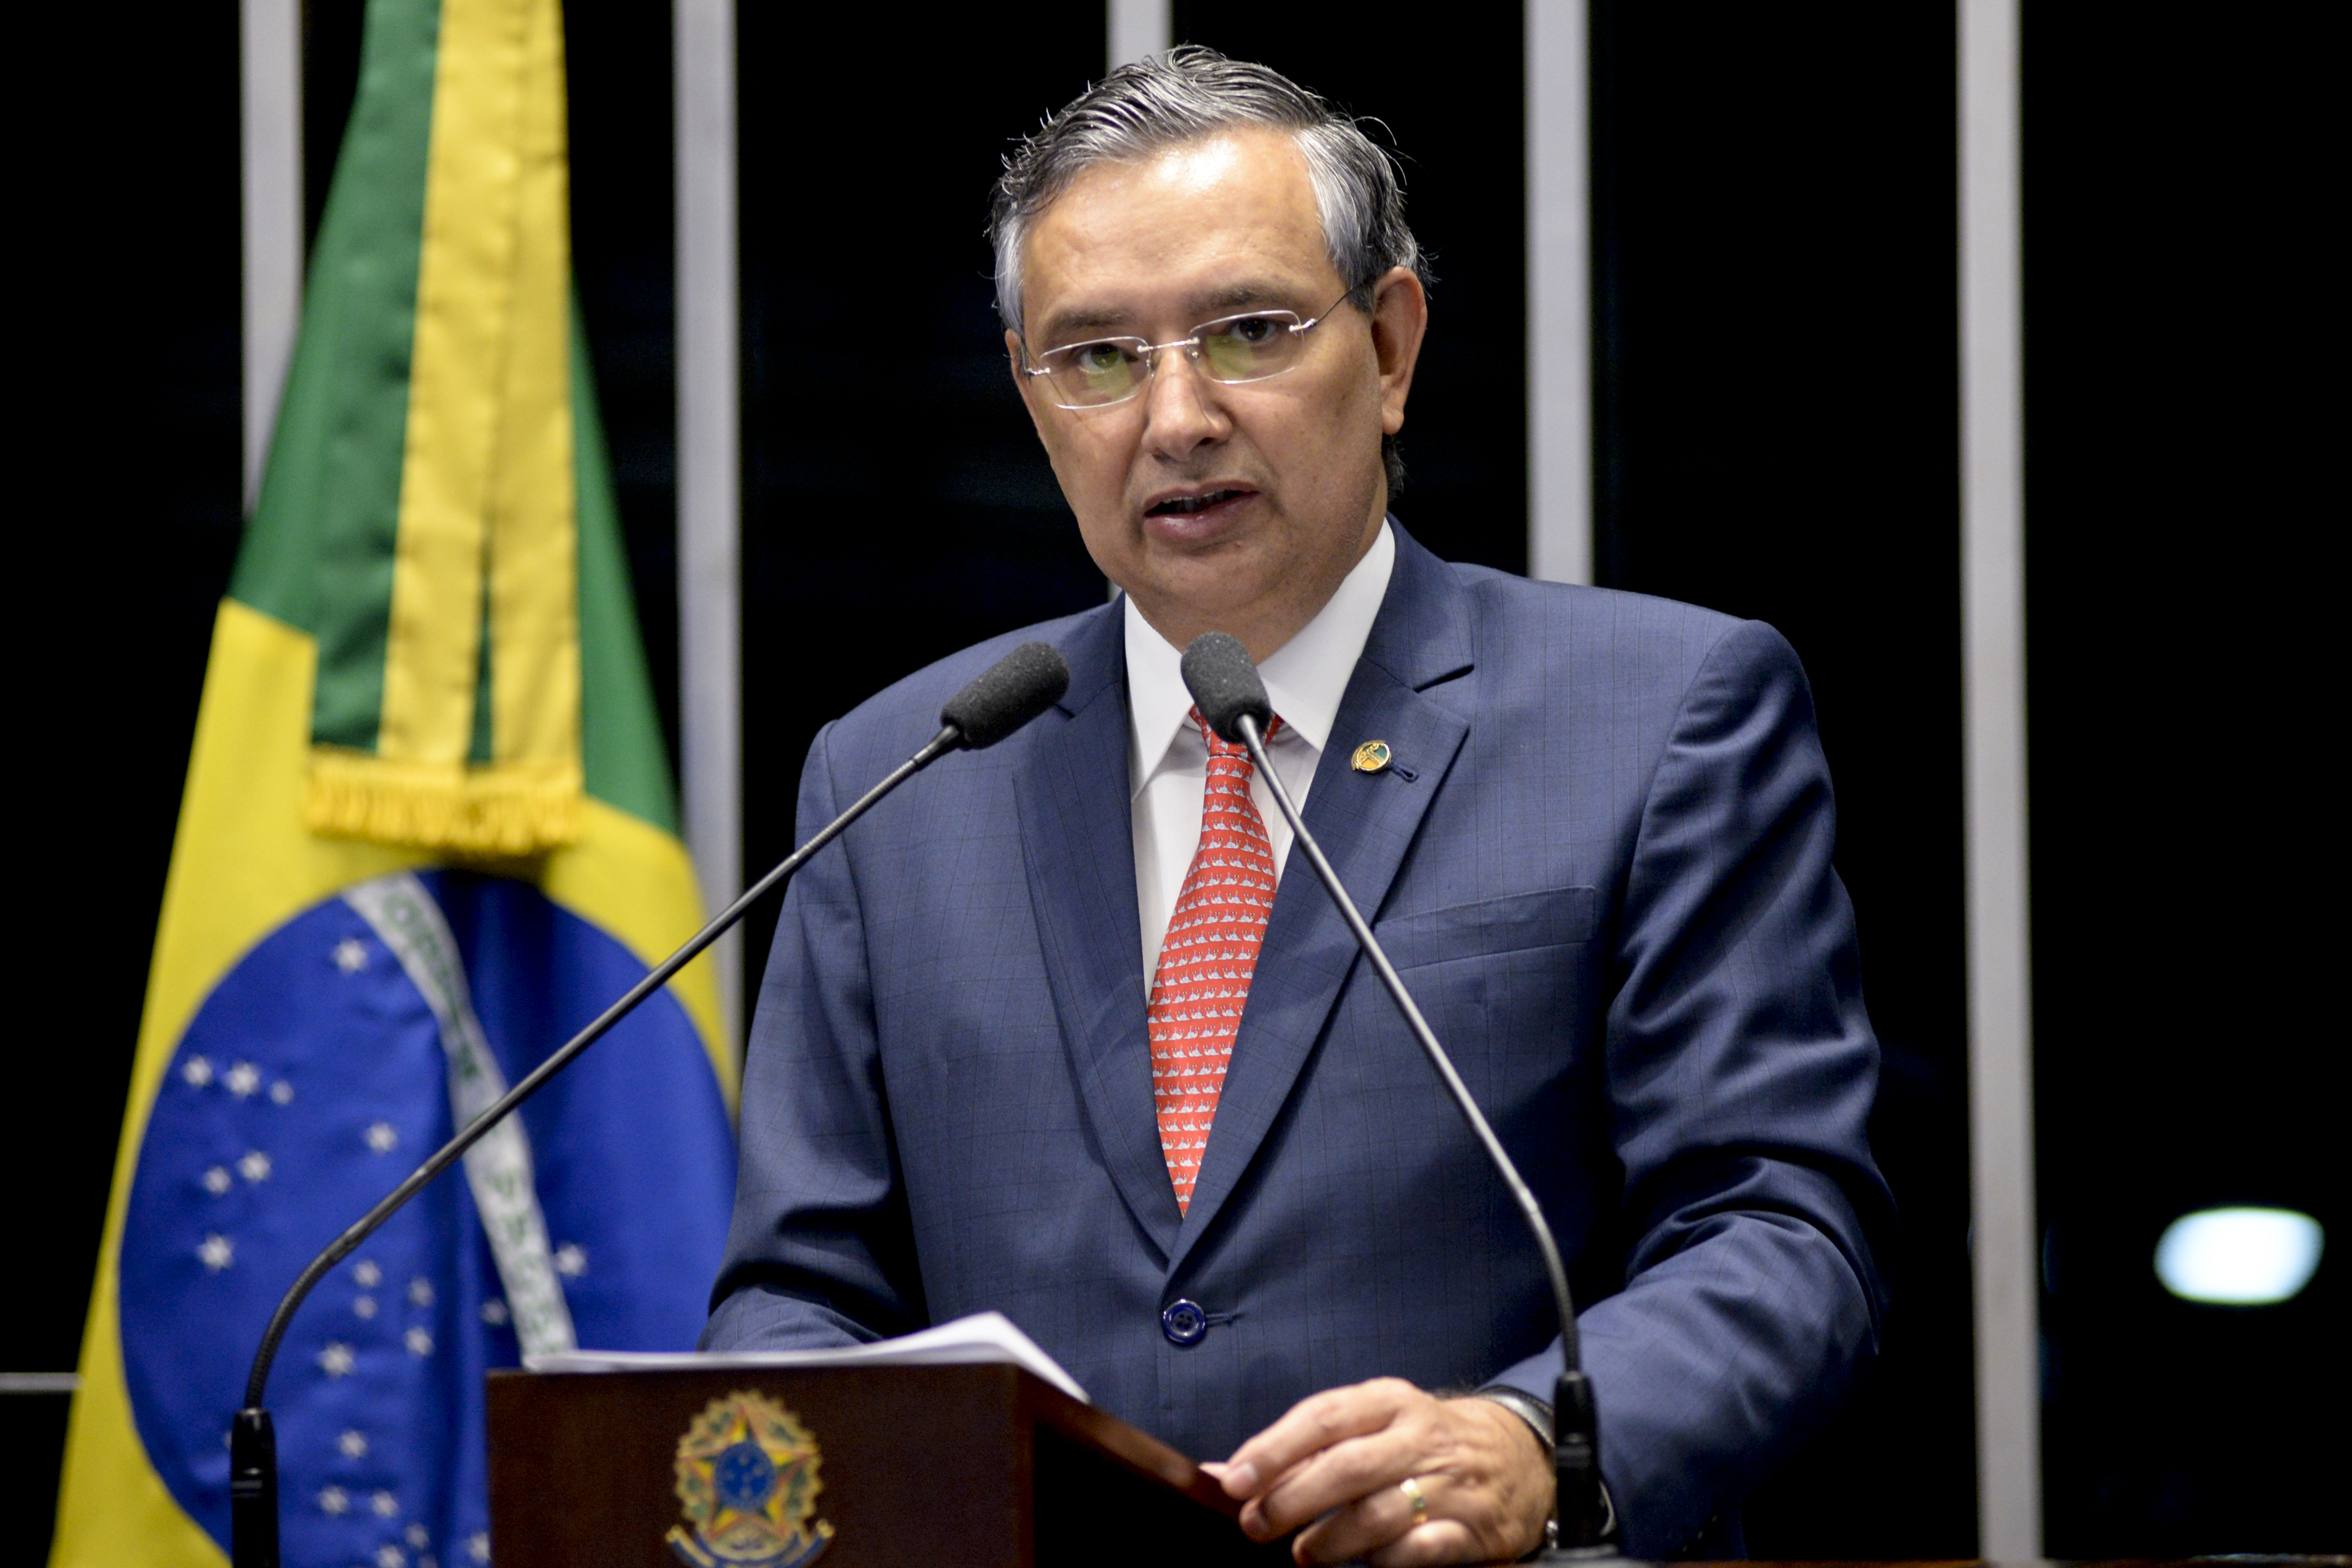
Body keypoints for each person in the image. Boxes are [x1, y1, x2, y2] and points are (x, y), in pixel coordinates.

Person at [704, 48, 1889, 1564]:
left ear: (1389, 347)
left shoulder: (1656, 716)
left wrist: (1535, 1437)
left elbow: (1784, 1233)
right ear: (1032, 398)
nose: (1177, 416)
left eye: (1247, 332)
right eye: (1099, 358)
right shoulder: (904, 774)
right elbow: (801, 1292)